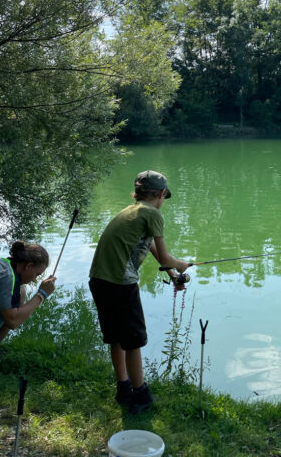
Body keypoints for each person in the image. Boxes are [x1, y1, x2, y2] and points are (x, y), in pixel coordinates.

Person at [89, 170, 189, 414]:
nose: (164, 201)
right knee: (133, 341)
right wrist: (180, 264)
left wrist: (172, 274)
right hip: (121, 283)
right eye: (164, 197)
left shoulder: (130, 211)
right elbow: (166, 255)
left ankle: (123, 388)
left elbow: (151, 246)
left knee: (115, 338)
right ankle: (140, 395)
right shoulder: (152, 213)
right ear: (160, 194)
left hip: (99, 279)